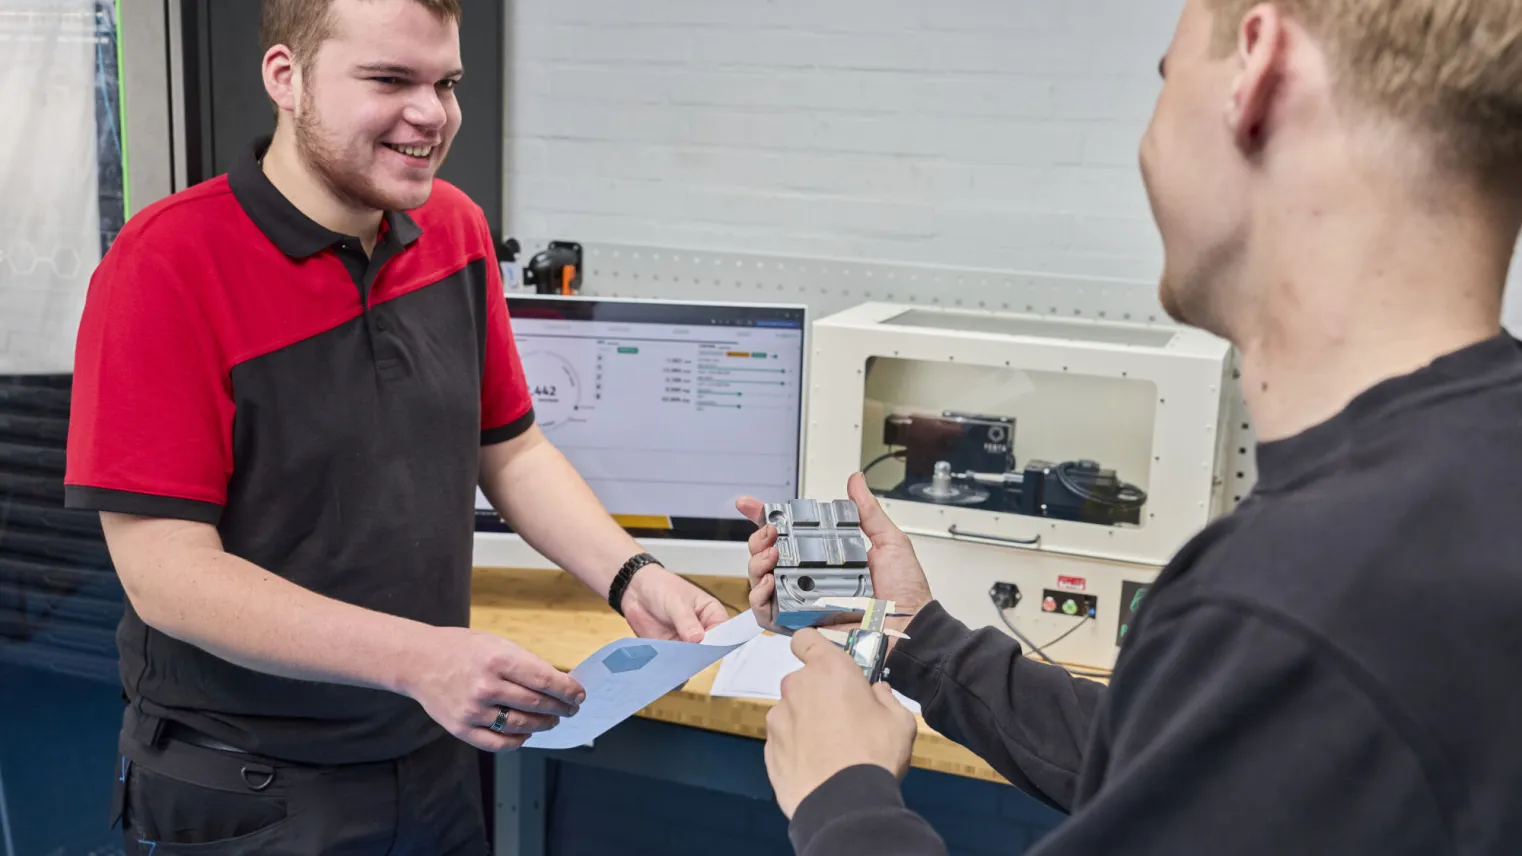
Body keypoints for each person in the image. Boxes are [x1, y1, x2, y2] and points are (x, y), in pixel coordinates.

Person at [740, 0, 1522, 853]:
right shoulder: (1467, 492)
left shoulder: (1297, 605)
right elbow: (1202, 763)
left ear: (1256, 70)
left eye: (1165, 79)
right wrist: (915, 633)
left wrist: (843, 800)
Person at [63, 0, 727, 852]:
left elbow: (511, 447)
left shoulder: (453, 228)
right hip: (250, 790)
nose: (432, 114)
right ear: (286, 79)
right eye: (389, 79)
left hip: (434, 750)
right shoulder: (165, 268)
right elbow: (167, 576)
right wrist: (420, 659)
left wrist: (634, 576)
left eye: (445, 83)